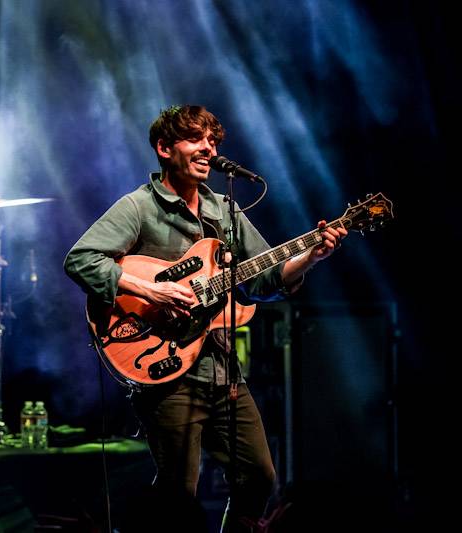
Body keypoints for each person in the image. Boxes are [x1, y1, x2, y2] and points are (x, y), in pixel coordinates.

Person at [64, 105, 346, 531]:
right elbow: (81, 259)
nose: (208, 149)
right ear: (164, 148)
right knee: (179, 491)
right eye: (196, 139)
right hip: (166, 368)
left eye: (212, 141)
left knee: (259, 475)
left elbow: (263, 279)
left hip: (222, 368)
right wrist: (151, 289)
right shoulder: (139, 207)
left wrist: (311, 257)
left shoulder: (225, 211)